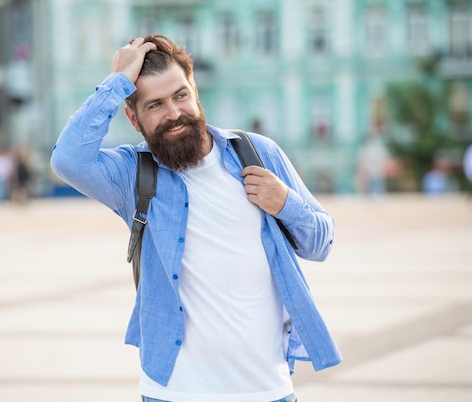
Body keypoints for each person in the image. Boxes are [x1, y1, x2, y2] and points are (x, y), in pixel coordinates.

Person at [50, 34, 341, 402]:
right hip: (172, 393)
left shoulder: (257, 154)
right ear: (133, 118)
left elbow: (322, 244)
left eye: (180, 95)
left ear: (195, 91)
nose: (173, 113)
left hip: (267, 391)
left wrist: (286, 204)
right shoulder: (132, 175)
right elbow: (67, 160)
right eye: (154, 104)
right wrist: (117, 83)